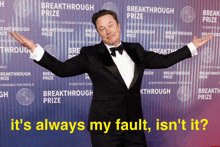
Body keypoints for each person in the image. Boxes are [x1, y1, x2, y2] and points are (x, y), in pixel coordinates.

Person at [9, 9, 213, 147]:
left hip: (134, 127)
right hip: (104, 128)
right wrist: (35, 49)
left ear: (118, 25)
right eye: (102, 28)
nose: (108, 31)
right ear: (97, 32)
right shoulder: (90, 54)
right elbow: (62, 69)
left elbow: (165, 60)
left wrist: (191, 47)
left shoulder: (136, 50)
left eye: (110, 25)